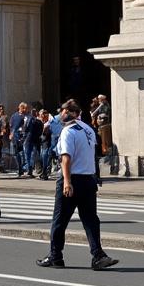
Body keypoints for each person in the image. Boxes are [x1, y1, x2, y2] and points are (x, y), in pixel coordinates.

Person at [37, 100, 119, 271]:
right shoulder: (88, 129)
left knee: (59, 220)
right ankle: (98, 255)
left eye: (64, 112)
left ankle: (55, 256)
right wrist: (96, 176)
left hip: (73, 178)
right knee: (90, 220)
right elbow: (92, 155)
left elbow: (66, 158)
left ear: (73, 113)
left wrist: (67, 182)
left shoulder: (68, 131)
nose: (61, 115)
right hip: (88, 180)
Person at [22, 106, 44, 178]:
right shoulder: (39, 121)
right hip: (36, 139)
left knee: (28, 155)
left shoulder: (29, 120)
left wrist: (24, 136)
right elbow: (41, 131)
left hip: (29, 139)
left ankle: (30, 169)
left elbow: (25, 129)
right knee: (36, 154)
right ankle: (38, 168)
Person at [38, 109, 56, 180]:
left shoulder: (50, 121)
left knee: (45, 156)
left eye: (42, 115)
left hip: (47, 141)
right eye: (40, 115)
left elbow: (45, 130)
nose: (41, 117)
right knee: (42, 156)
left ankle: (45, 172)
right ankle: (44, 171)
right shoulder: (41, 121)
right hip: (42, 141)